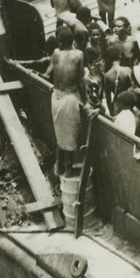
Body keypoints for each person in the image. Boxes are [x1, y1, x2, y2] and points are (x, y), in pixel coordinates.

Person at [49, 26, 85, 178]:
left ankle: (58, 166)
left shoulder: (56, 53)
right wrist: (86, 101)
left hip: (56, 97)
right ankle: (69, 172)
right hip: (69, 99)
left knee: (61, 134)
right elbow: (81, 81)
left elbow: (50, 70)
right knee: (69, 136)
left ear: (61, 42)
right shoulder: (78, 55)